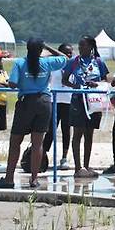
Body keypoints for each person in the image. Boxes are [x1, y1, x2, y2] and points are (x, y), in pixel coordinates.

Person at [0, 39, 67, 189]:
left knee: (15, 141)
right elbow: (65, 58)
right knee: (38, 143)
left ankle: (9, 178)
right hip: (44, 102)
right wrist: (48, 46)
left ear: (27, 49)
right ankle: (34, 179)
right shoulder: (48, 62)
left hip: (26, 102)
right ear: (40, 50)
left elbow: (12, 83)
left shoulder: (20, 63)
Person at [62, 35, 109, 178]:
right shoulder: (73, 62)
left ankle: (87, 166)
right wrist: (76, 86)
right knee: (78, 133)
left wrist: (96, 84)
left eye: (83, 45)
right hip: (78, 100)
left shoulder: (99, 62)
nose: (80, 48)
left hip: (94, 101)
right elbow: (65, 80)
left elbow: (105, 80)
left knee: (89, 134)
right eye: (79, 45)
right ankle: (78, 168)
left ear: (90, 46)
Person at [42, 43, 74, 171]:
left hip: (68, 101)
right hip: (54, 101)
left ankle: (64, 158)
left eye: (71, 53)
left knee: (66, 130)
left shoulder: (72, 65)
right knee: (50, 130)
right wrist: (51, 51)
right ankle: (42, 155)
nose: (69, 55)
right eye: (66, 52)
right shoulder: (52, 64)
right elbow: (42, 56)